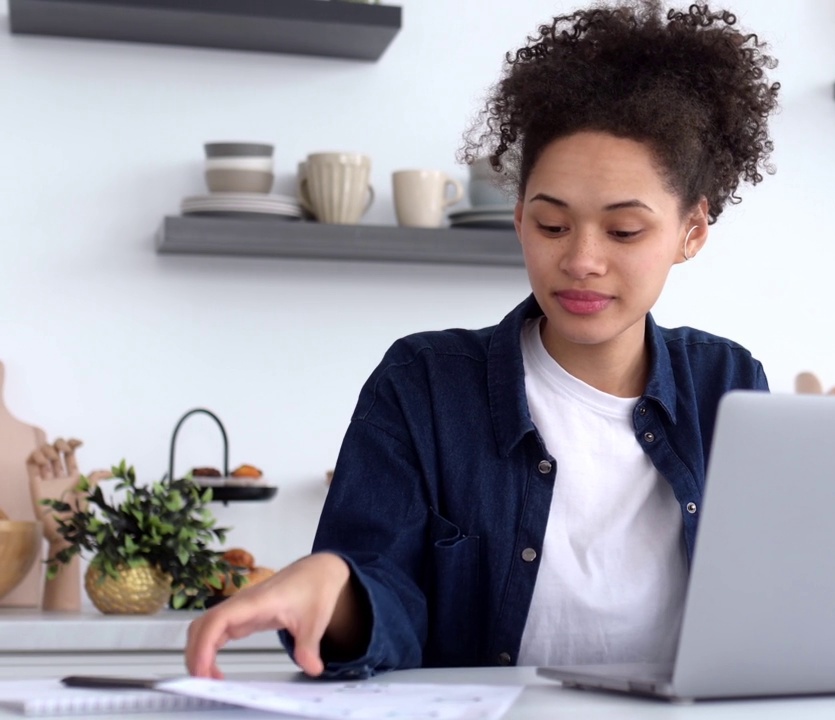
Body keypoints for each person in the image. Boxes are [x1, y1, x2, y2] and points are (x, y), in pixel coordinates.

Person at [185, 0, 780, 679]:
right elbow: (386, 592)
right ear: (520, 217)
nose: (583, 259)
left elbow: (770, 600)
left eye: (623, 232)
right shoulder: (425, 383)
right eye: (552, 225)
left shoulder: (729, 384)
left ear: (692, 231)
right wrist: (334, 585)